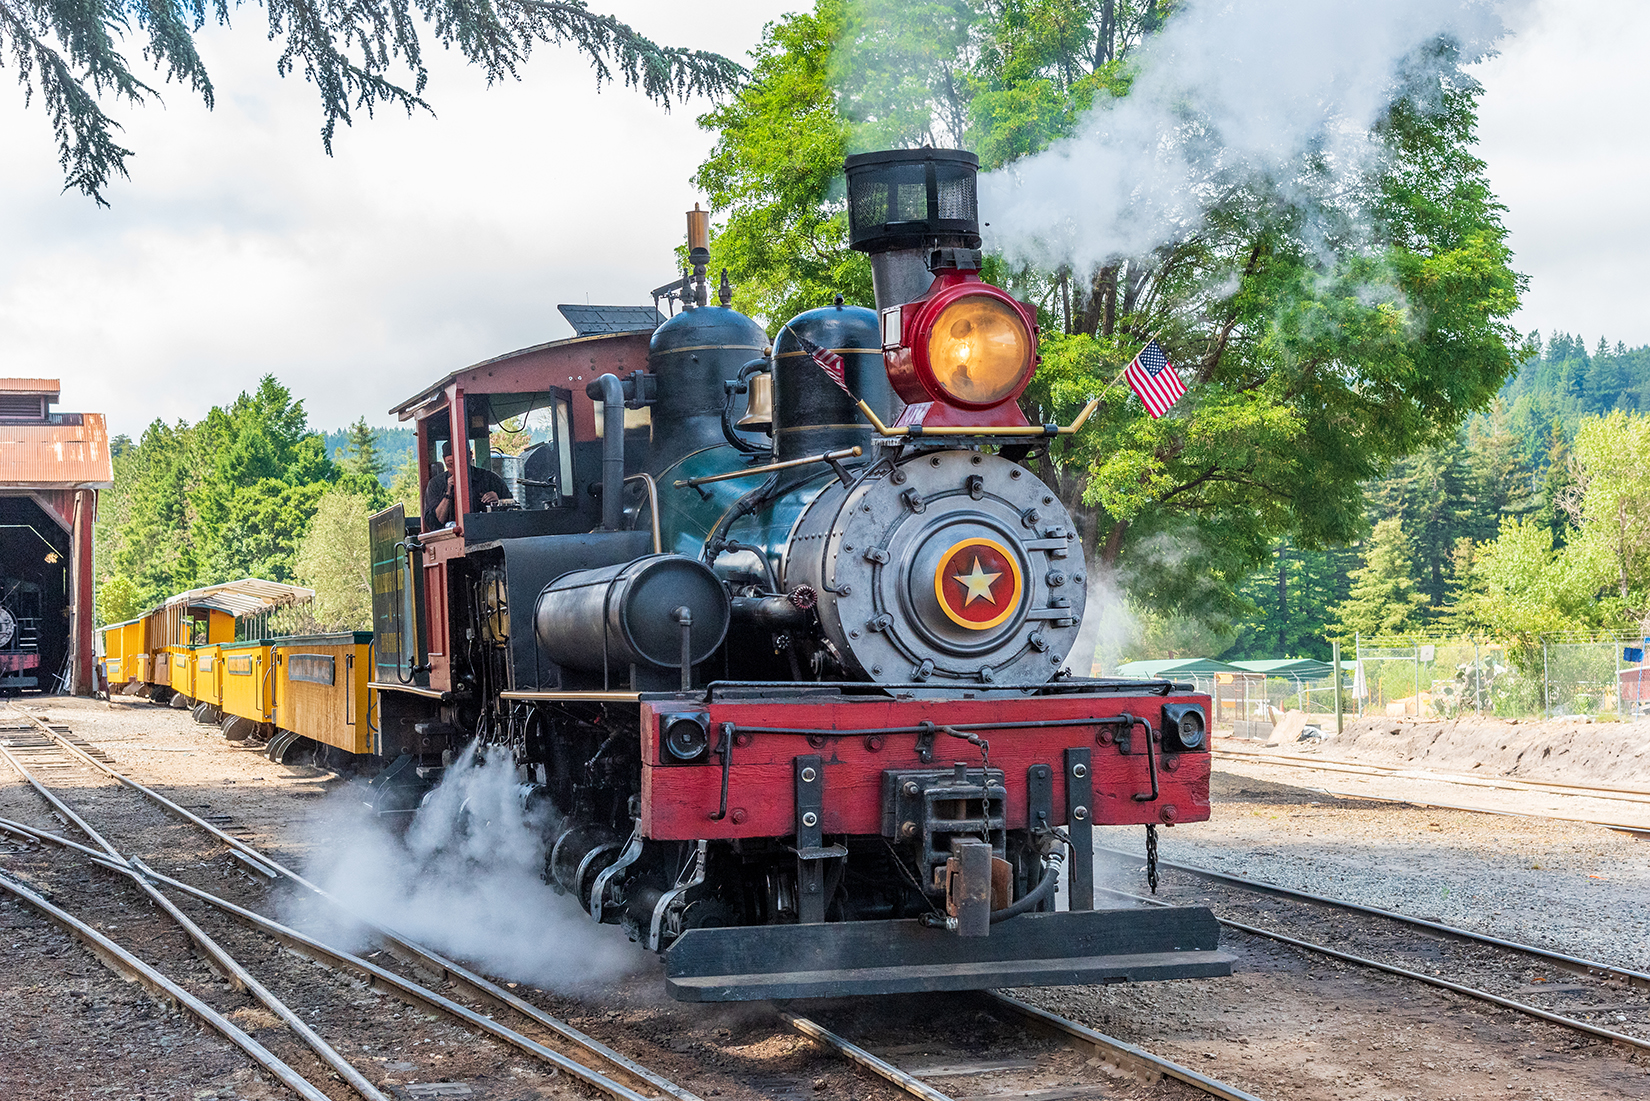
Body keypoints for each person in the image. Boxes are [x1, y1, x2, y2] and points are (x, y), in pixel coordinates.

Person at [422, 443, 512, 529]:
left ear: (470, 456)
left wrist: (498, 502)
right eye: (450, 465)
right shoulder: (436, 484)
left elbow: (512, 511)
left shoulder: (490, 479)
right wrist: (448, 493)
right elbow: (434, 523)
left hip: (487, 533)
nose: (456, 470)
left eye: (460, 463)